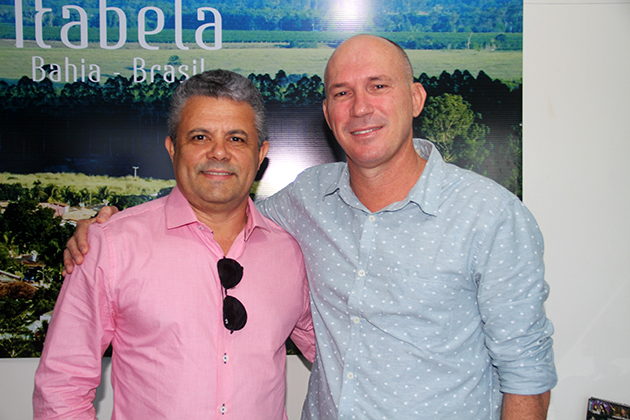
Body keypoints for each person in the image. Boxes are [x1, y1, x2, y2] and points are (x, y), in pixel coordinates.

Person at [64, 35, 557, 419]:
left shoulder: (490, 215)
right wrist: (111, 227)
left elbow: (527, 374)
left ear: (416, 98)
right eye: (342, 92)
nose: (360, 107)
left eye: (378, 86)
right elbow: (218, 196)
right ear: (327, 113)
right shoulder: (304, 202)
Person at [34, 69, 315, 420]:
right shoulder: (112, 245)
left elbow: (334, 350)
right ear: (172, 148)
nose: (219, 153)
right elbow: (62, 387)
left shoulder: (288, 252)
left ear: (261, 154)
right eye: (200, 137)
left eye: (237, 139)